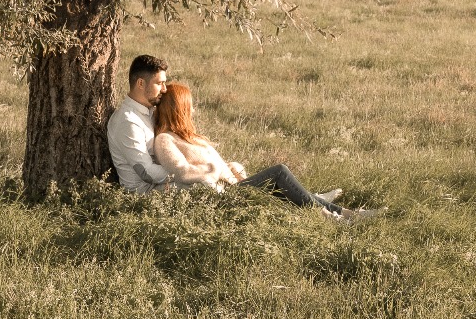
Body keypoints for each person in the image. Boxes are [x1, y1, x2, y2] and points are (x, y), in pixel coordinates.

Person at [152, 80, 349, 218]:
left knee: (281, 188)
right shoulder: (165, 140)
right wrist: (215, 169)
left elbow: (214, 165)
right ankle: (326, 210)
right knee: (278, 172)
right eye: (190, 107)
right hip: (225, 197)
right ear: (180, 110)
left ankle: (339, 211)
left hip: (234, 186)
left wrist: (229, 167)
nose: (193, 111)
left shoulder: (189, 137)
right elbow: (181, 172)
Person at [106, 54, 172, 193]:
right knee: (207, 184)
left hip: (162, 185)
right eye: (159, 83)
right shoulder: (127, 121)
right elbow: (146, 173)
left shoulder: (151, 112)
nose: (164, 89)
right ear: (141, 83)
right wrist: (187, 173)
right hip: (144, 195)